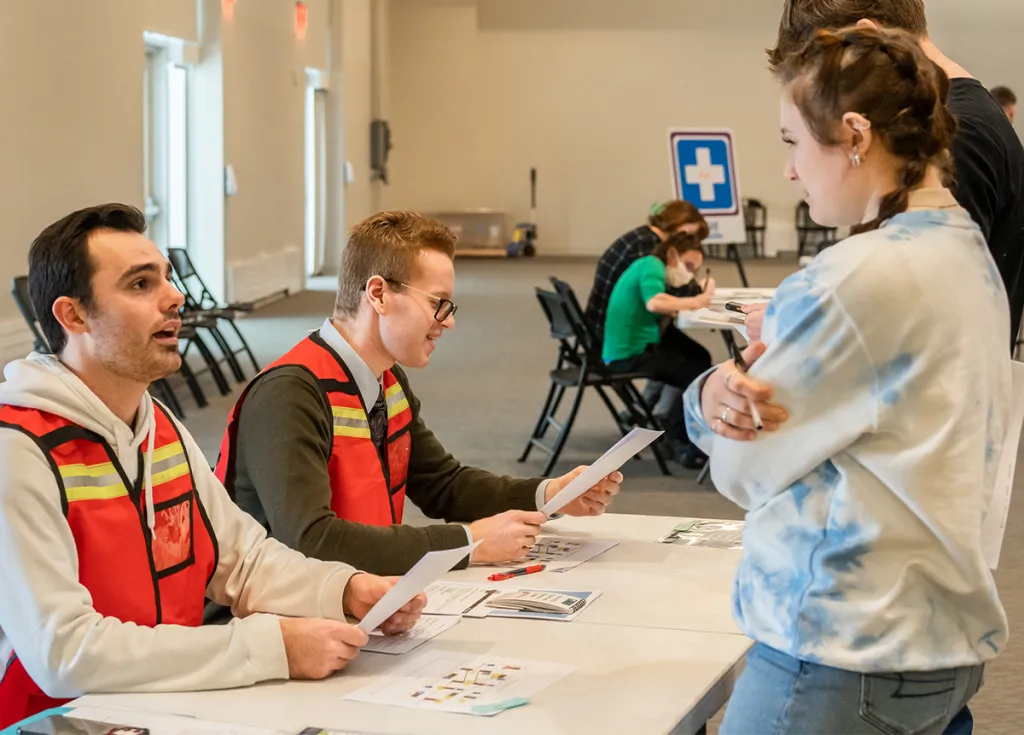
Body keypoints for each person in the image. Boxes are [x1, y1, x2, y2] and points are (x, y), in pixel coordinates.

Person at [683, 26, 1009, 734]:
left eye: (793, 142)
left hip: (836, 657)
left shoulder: (853, 278)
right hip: (933, 642)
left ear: (855, 135)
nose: (792, 172)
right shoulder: (963, 248)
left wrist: (712, 393)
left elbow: (741, 467)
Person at [0, 205, 425, 729]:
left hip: (172, 707)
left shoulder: (160, 428)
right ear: (74, 316)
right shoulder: (17, 449)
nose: (175, 297)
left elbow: (243, 561)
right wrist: (271, 647)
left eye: (167, 278)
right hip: (59, 721)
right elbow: (64, 654)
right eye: (139, 284)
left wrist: (344, 589)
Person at [213, 211, 621, 578]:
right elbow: (312, 542)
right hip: (269, 626)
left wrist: (551, 494)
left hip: (351, 601)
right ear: (378, 294)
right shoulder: (289, 394)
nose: (448, 322)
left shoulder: (386, 380)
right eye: (438, 303)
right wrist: (467, 543)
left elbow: (441, 484)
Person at [748, 0, 1024, 356]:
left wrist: (797, 329)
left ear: (867, 39)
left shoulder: (953, 134)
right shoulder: (962, 120)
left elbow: (922, 334)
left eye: (822, 74)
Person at [603, 232, 714, 469]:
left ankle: (676, 431)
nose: (689, 273)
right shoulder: (652, 265)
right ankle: (678, 439)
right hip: (630, 354)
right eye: (688, 266)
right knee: (696, 375)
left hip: (632, 345)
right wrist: (698, 301)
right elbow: (654, 302)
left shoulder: (648, 265)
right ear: (672, 254)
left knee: (700, 358)